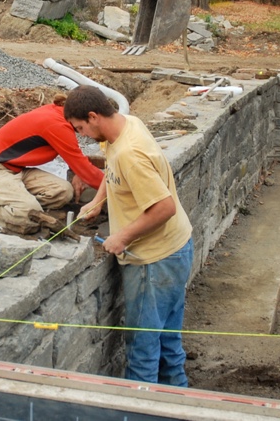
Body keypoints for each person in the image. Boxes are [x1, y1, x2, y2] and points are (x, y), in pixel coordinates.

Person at [63, 85, 193, 387]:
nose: (81, 135)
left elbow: (164, 207)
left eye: (81, 127)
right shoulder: (124, 126)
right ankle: (179, 406)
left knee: (143, 352)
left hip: (154, 261)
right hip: (176, 247)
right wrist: (98, 202)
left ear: (94, 116)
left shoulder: (130, 152)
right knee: (168, 343)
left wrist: (121, 237)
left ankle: (140, 407)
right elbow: (113, 168)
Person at [0, 93, 104, 234]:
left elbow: (73, 155)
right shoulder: (56, 124)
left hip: (17, 170)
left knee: (63, 192)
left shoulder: (58, 113)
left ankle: (16, 205)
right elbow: (86, 170)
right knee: (28, 215)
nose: (84, 134)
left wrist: (79, 171)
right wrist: (114, 189)